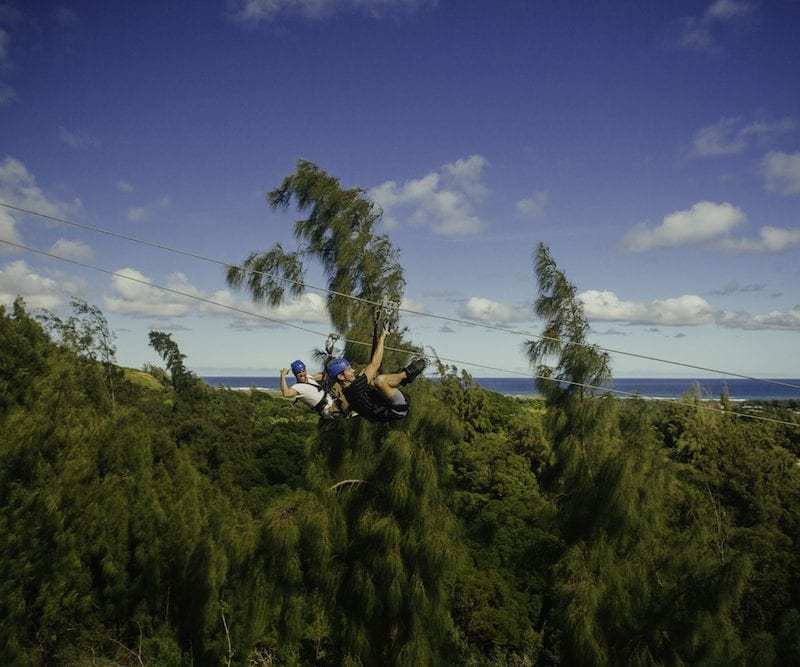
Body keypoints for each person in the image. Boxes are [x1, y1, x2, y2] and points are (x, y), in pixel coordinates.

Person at [326, 327, 426, 423]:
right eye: (348, 370)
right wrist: (382, 337)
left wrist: (378, 341)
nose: (353, 370)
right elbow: (375, 364)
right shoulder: (355, 388)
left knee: (373, 381)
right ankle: (406, 375)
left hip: (386, 405)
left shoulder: (348, 389)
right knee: (380, 380)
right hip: (397, 409)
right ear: (341, 377)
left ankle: (401, 378)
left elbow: (367, 369)